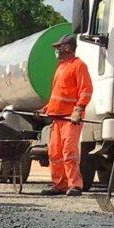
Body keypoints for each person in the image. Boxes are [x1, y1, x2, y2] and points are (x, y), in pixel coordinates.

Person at [39, 34, 93, 196]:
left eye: (59, 47)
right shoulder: (61, 67)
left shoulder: (79, 66)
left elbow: (86, 90)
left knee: (69, 152)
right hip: (57, 118)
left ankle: (75, 185)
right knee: (55, 154)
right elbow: (58, 93)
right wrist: (45, 109)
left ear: (68, 48)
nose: (57, 51)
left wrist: (78, 110)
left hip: (70, 119)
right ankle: (60, 184)